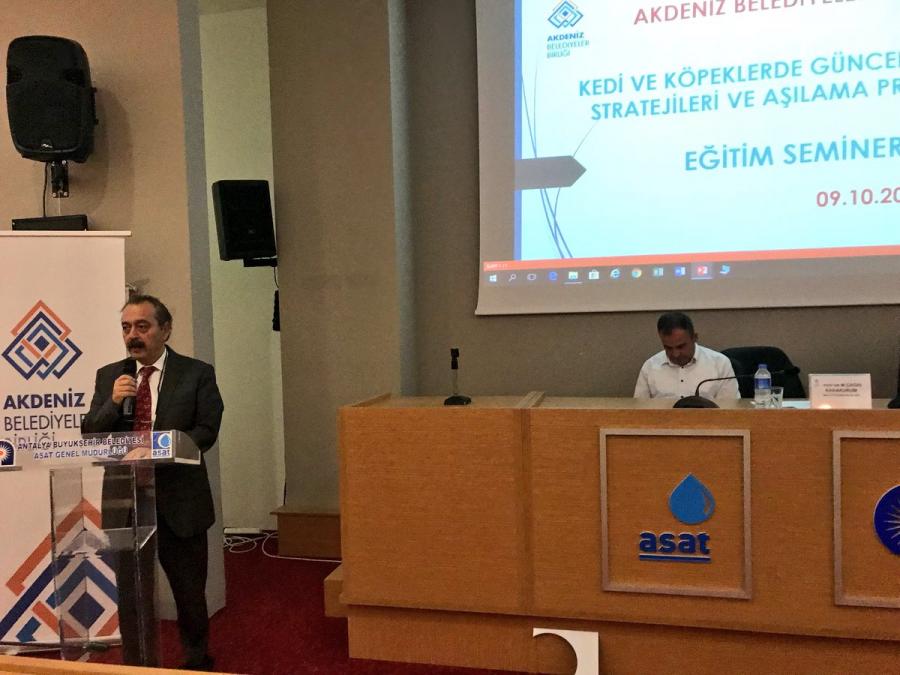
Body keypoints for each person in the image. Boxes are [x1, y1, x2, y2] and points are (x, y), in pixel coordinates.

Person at [82, 295, 224, 671]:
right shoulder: (110, 376)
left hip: (179, 497)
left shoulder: (196, 373)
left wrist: (163, 448)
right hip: (126, 499)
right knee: (131, 592)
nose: (133, 335)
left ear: (165, 330)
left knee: (188, 589)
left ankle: (196, 658)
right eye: (126, 327)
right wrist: (113, 403)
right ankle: (137, 662)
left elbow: (207, 429)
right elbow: (92, 433)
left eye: (142, 326)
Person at [634, 311, 740, 400]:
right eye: (668, 348)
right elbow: (639, 409)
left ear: (694, 338)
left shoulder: (720, 363)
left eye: (681, 347)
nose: (675, 354)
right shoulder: (650, 367)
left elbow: (730, 408)